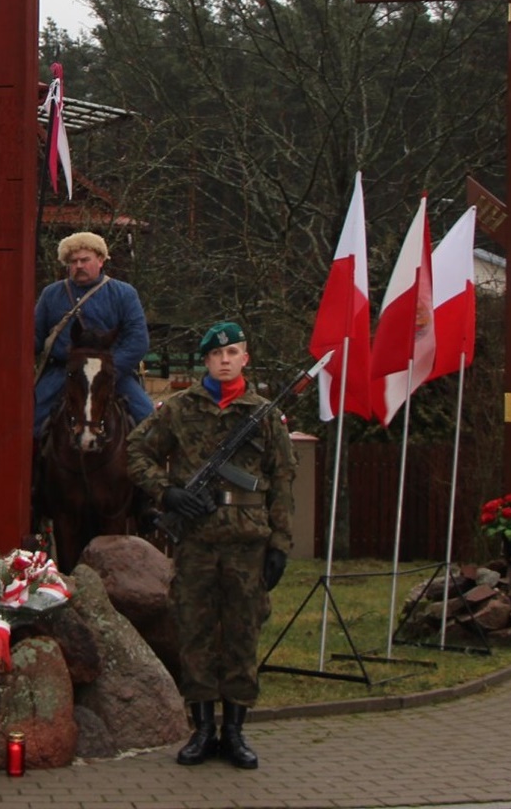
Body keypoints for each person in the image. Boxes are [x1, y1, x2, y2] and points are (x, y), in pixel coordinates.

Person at [127, 321, 298, 771]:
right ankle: (202, 729)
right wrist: (168, 493)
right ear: (205, 360)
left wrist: (280, 543)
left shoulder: (264, 414)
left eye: (234, 353)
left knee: (243, 633)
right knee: (195, 632)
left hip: (248, 544)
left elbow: (282, 480)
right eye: (216, 354)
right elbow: (136, 452)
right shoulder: (179, 410)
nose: (225, 360)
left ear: (246, 358)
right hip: (197, 541)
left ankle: (236, 731)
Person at [32, 231, 153, 436]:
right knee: (27, 423)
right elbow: (35, 336)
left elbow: (137, 340)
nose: (79, 265)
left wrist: (110, 370)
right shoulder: (51, 294)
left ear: (100, 260)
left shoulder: (124, 293)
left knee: (150, 425)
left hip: (111, 373)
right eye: (73, 261)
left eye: (85, 260)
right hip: (63, 373)